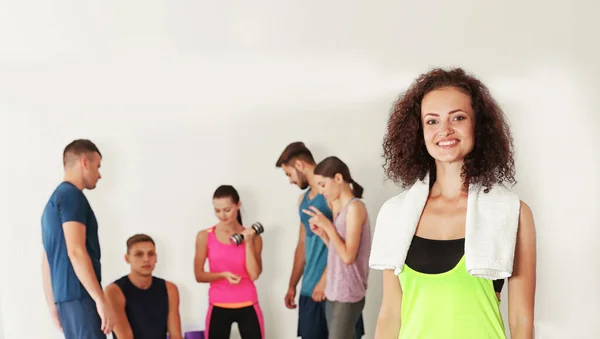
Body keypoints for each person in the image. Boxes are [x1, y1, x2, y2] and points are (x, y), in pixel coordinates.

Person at [370, 67, 536, 338]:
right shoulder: (395, 214)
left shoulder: (512, 213)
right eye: (432, 121)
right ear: (418, 131)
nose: (444, 130)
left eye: (457, 117)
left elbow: (521, 320)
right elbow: (389, 315)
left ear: (477, 125)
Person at [275, 142, 365, 339]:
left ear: (299, 165)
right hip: (309, 288)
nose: (290, 181)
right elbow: (302, 245)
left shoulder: (336, 197)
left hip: (333, 287)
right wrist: (292, 284)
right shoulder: (303, 200)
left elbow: (345, 247)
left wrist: (324, 280)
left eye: (288, 174)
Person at [41, 139, 115, 338]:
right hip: (80, 296)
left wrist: (52, 305)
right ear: (85, 162)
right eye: (97, 166)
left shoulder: (53, 202)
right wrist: (100, 299)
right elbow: (76, 250)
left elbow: (47, 259)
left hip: (66, 300)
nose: (99, 175)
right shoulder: (72, 196)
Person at [302, 156, 372, 339]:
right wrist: (324, 234)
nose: (321, 191)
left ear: (338, 179)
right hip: (334, 290)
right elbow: (338, 252)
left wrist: (328, 226)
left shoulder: (355, 208)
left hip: (348, 292)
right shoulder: (340, 209)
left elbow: (349, 257)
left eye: (323, 185)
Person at [194, 185, 265, 339]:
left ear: (238, 205)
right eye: (217, 210)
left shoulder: (253, 237)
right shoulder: (205, 236)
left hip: (248, 303)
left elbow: (253, 274)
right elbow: (199, 275)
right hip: (218, 305)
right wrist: (223, 275)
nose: (222, 215)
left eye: (227, 210)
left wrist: (248, 242)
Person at [104, 234, 183, 339]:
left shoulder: (170, 289)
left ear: (156, 258)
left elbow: (176, 335)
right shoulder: (114, 291)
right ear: (127, 259)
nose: (146, 259)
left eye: (150, 254)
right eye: (139, 254)